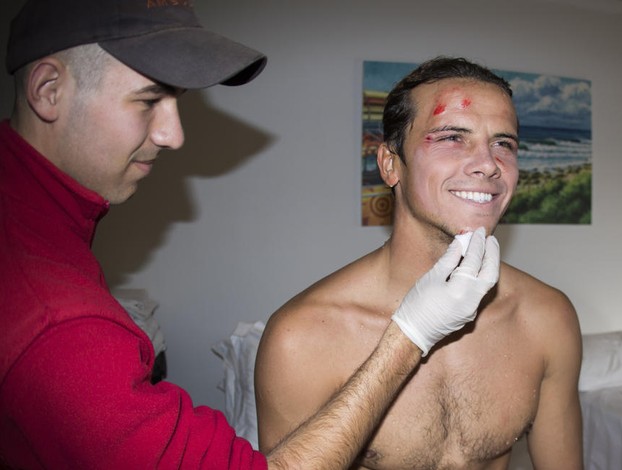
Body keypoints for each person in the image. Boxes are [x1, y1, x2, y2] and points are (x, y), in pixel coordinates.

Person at [0, 1, 502, 468]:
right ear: (49, 91)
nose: (174, 135)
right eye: (148, 100)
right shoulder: (55, 317)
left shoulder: (40, 229)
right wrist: (410, 334)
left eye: (177, 101)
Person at [255, 57, 584, 469]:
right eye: (451, 137)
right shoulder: (300, 337)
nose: (488, 163)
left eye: (504, 143)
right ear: (391, 164)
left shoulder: (547, 318)